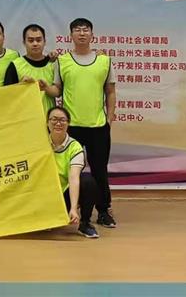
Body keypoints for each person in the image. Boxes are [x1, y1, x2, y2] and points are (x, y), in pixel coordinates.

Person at [39, 18, 117, 229]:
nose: (82, 33)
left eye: (85, 30)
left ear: (92, 34)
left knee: (99, 170)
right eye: (77, 30)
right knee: (66, 171)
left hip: (98, 126)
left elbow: (110, 91)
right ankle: (64, 209)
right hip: (71, 127)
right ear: (71, 35)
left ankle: (103, 211)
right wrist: (45, 87)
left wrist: (109, 119)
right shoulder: (62, 61)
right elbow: (57, 91)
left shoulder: (104, 61)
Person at [47, 106, 99, 239]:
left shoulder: (75, 147)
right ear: (47, 123)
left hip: (64, 195)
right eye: (54, 119)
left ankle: (85, 223)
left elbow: (74, 178)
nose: (58, 123)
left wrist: (73, 209)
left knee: (88, 181)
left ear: (68, 123)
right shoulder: (40, 144)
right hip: (45, 195)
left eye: (62, 120)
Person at [4, 24, 56, 116]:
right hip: (25, 118)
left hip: (49, 119)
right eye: (31, 40)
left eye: (38, 40)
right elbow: (8, 96)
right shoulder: (15, 65)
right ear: (24, 42)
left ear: (45, 42)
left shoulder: (53, 64)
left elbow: (59, 92)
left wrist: (46, 88)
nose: (35, 44)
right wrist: (22, 86)